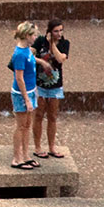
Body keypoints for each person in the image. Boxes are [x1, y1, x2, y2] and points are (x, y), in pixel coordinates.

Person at [10, 22, 51, 169]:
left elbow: (32, 60)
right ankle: (17, 158)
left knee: (27, 125)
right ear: (27, 36)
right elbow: (19, 78)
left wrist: (42, 63)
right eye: (34, 35)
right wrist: (27, 100)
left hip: (30, 90)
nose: (36, 37)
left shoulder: (27, 50)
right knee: (21, 126)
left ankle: (25, 155)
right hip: (22, 94)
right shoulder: (19, 55)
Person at [32, 19, 70, 158]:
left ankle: (52, 147)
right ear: (49, 31)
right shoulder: (40, 41)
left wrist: (52, 44)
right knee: (39, 115)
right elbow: (29, 54)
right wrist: (40, 61)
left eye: (61, 30)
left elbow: (60, 59)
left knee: (52, 116)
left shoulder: (65, 44)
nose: (59, 33)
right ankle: (37, 147)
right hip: (40, 84)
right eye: (56, 31)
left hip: (55, 86)